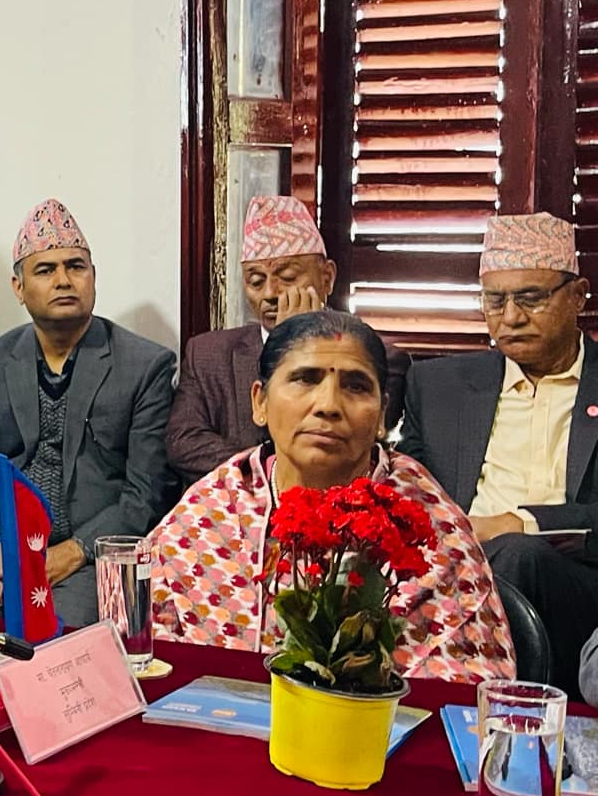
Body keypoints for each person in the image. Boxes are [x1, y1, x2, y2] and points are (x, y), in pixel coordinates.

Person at [148, 310, 513, 682]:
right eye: (305, 379)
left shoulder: (425, 521)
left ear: (382, 415)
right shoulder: (211, 512)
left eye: (356, 386)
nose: (328, 405)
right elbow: (140, 662)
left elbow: (468, 687)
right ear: (260, 402)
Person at [0, 199, 175, 629]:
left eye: (76, 267)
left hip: (89, 554)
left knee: (68, 635)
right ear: (18, 287)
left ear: (93, 276)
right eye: (45, 270)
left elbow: (147, 492)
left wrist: (72, 552)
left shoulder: (145, 366)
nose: (63, 280)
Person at [402, 212, 598, 687]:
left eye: (531, 299)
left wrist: (520, 523)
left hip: (580, 585)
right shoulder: (438, 386)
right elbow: (409, 491)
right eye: (495, 300)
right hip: (454, 573)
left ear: (578, 296)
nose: (510, 318)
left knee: (518, 553)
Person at [166, 195, 410, 486]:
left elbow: (360, 450)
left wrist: (302, 341)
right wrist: (270, 475)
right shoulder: (208, 353)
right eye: (256, 281)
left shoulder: (381, 359)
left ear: (327, 277)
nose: (270, 293)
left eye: (288, 277)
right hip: (232, 505)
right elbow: (183, 442)